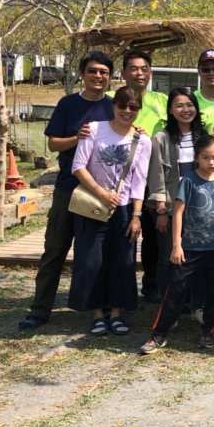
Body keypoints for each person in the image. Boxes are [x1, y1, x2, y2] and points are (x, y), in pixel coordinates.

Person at [18, 51, 114, 331]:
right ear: (82, 74)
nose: (99, 76)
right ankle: (39, 309)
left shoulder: (112, 107)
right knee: (55, 250)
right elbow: (53, 145)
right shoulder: (68, 104)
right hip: (68, 190)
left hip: (100, 191)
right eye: (93, 71)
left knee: (96, 254)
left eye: (104, 72)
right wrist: (77, 138)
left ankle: (101, 309)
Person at [68, 87, 153, 335]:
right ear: (113, 106)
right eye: (123, 106)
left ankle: (117, 312)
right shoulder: (94, 130)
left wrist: (136, 215)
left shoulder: (142, 140)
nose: (127, 111)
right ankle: (96, 313)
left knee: (122, 261)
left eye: (133, 107)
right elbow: (78, 166)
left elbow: (140, 180)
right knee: (92, 260)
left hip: (125, 209)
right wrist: (101, 192)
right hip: (93, 205)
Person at [140, 135, 214, 353]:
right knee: (176, 290)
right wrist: (176, 244)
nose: (211, 162)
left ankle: (208, 332)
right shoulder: (188, 181)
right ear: (197, 158)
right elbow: (178, 213)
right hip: (190, 248)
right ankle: (158, 334)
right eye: (206, 157)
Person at [110, 49, 169, 303]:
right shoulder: (112, 99)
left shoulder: (162, 100)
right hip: (120, 181)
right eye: (133, 68)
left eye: (144, 69)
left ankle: (151, 283)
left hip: (154, 179)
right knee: (125, 235)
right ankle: (121, 289)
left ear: (151, 72)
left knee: (155, 236)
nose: (139, 73)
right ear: (123, 73)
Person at [147, 88, 207, 299]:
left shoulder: (204, 136)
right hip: (172, 208)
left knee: (195, 256)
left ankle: (192, 301)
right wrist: (161, 210)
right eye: (179, 106)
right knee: (169, 256)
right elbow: (157, 175)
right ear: (171, 110)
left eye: (190, 105)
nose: (185, 110)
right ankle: (168, 302)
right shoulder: (161, 138)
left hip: (199, 208)